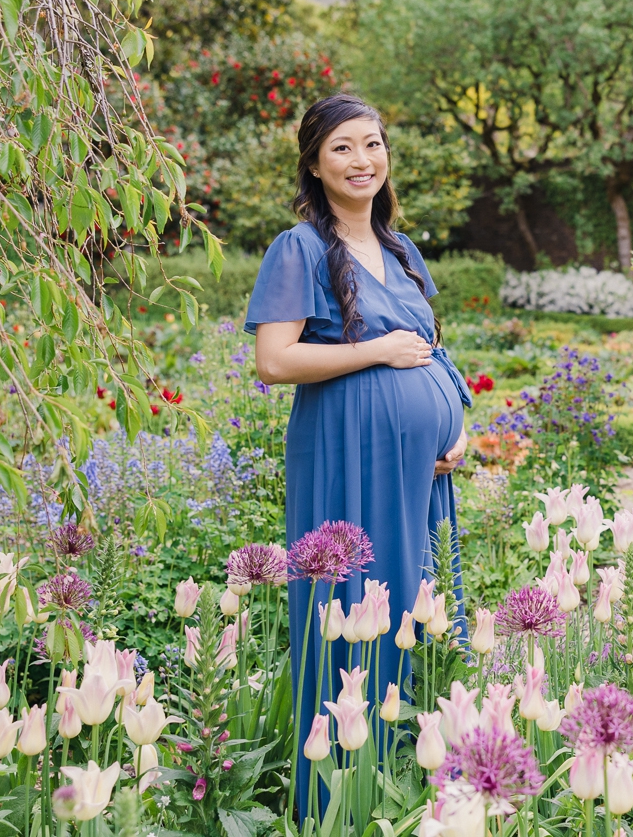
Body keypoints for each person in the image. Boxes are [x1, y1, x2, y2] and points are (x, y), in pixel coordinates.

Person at [244, 94, 470, 819]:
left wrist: (456, 423)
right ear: (314, 162)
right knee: (354, 604)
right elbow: (274, 361)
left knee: (416, 607)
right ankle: (339, 796)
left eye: (371, 144)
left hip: (419, 474)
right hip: (347, 456)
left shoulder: (402, 249)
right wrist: (373, 350)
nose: (361, 160)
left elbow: (430, 345)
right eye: (342, 147)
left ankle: (417, 786)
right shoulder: (300, 248)